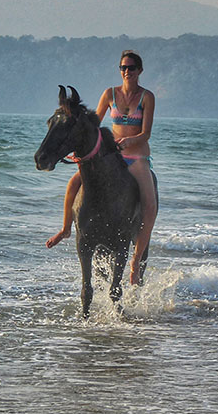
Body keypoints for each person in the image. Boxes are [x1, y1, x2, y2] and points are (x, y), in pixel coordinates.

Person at [46, 50, 158, 285]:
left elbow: (146, 133)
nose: (126, 71)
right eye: (123, 68)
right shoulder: (110, 94)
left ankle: (136, 259)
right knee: (74, 183)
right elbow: (94, 124)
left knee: (149, 204)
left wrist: (129, 141)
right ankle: (66, 228)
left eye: (131, 68)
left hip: (136, 157)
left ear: (140, 71)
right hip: (111, 154)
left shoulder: (147, 97)